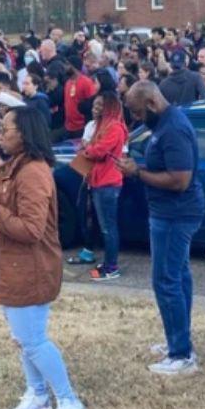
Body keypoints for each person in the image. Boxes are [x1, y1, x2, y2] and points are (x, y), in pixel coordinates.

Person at [0, 105, 89, 409]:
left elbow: (31, 229)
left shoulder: (33, 172)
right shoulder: (13, 166)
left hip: (30, 268)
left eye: (6, 129)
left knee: (33, 340)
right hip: (11, 266)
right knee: (23, 339)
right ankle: (38, 395)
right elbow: (2, 204)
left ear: (25, 134)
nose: (0, 134)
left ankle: (69, 402)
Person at [119, 81, 205, 375]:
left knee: (166, 281)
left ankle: (181, 354)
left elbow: (179, 180)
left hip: (175, 214)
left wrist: (138, 172)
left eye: (139, 113)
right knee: (178, 276)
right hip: (169, 212)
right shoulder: (164, 124)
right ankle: (178, 340)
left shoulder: (173, 129)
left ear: (153, 103)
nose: (137, 119)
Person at [80, 91, 127, 281]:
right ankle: (108, 262)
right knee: (105, 225)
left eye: (100, 105)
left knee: (108, 227)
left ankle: (111, 267)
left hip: (108, 182)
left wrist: (87, 149)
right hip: (99, 179)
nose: (96, 109)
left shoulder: (114, 127)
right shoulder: (102, 125)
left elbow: (98, 151)